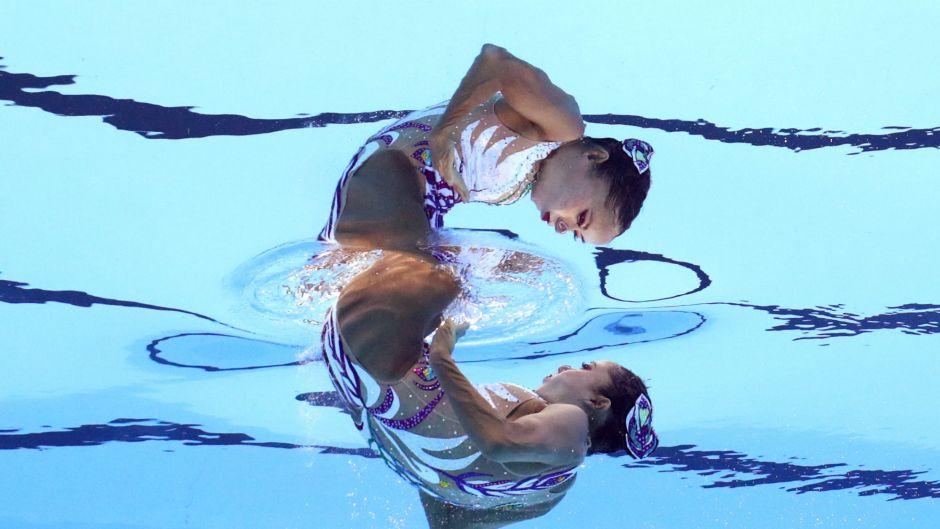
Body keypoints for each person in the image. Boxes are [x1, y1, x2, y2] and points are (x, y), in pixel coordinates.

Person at [321, 250, 658, 520]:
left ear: (598, 402)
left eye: (587, 367)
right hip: (361, 382)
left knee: (449, 265)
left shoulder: (573, 428)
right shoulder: (547, 497)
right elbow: (449, 522)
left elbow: (498, 442)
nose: (567, 365)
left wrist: (441, 356)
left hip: (376, 356)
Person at [318, 44, 653, 249]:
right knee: (418, 287)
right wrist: (444, 132)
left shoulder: (517, 188)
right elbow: (496, 62)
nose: (562, 228)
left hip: (399, 195)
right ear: (593, 156)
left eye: (575, 235)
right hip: (394, 172)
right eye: (582, 217)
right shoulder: (562, 125)